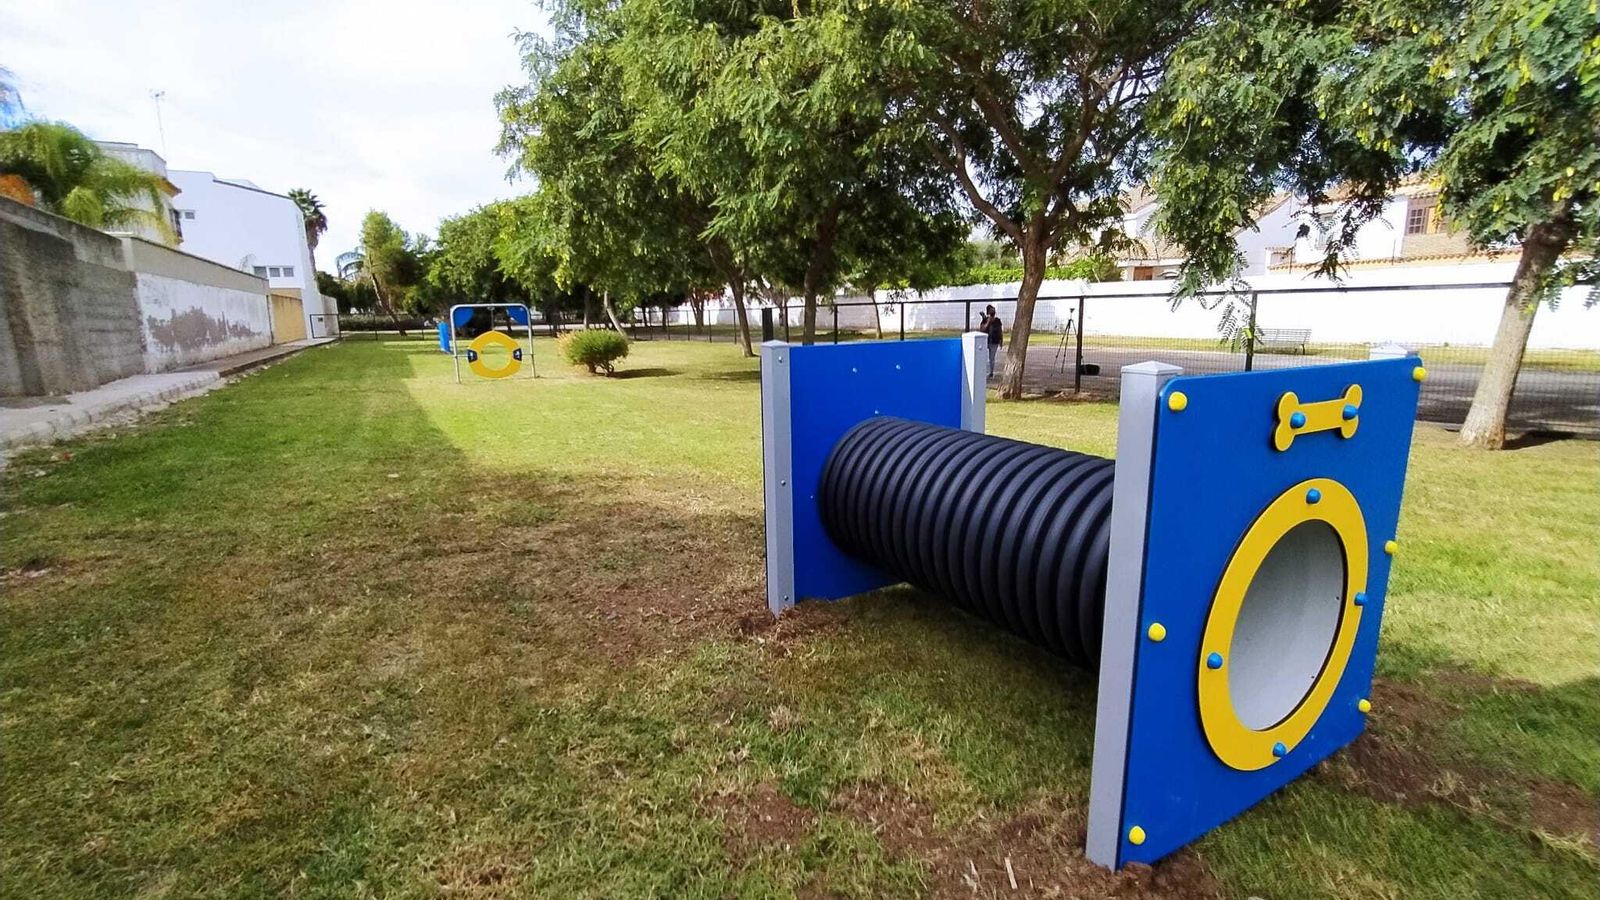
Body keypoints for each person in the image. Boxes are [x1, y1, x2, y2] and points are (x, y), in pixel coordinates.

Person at [977, 305, 1004, 378]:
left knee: (992, 358)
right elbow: (982, 329)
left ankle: (991, 372)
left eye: (994, 310)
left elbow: (1000, 331)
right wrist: (987, 322)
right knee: (983, 357)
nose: (993, 312)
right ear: (988, 312)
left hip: (994, 341)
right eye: (991, 310)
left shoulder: (997, 320)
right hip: (986, 341)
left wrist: (1001, 340)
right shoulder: (985, 320)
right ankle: (982, 371)